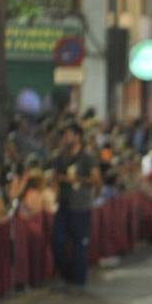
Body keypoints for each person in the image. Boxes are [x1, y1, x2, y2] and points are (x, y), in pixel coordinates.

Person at [51, 123, 98, 288]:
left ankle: (78, 278)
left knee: (79, 245)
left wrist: (77, 180)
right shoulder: (60, 157)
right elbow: (55, 178)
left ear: (78, 136)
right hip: (63, 206)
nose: (66, 138)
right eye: (64, 135)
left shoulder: (87, 158)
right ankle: (65, 273)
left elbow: (96, 180)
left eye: (69, 134)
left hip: (80, 206)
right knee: (57, 241)